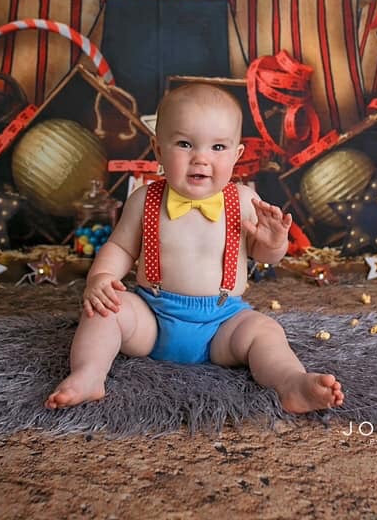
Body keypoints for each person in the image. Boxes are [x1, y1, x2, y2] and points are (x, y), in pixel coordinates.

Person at [45, 83, 344, 414]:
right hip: (153, 317)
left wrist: (274, 243)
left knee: (265, 331)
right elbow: (120, 247)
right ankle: (89, 373)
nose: (201, 158)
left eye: (218, 147)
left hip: (222, 323)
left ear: (237, 156)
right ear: (158, 150)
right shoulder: (145, 200)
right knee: (105, 313)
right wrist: (100, 278)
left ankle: (290, 382)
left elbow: (264, 255)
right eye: (185, 144)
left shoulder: (244, 201)